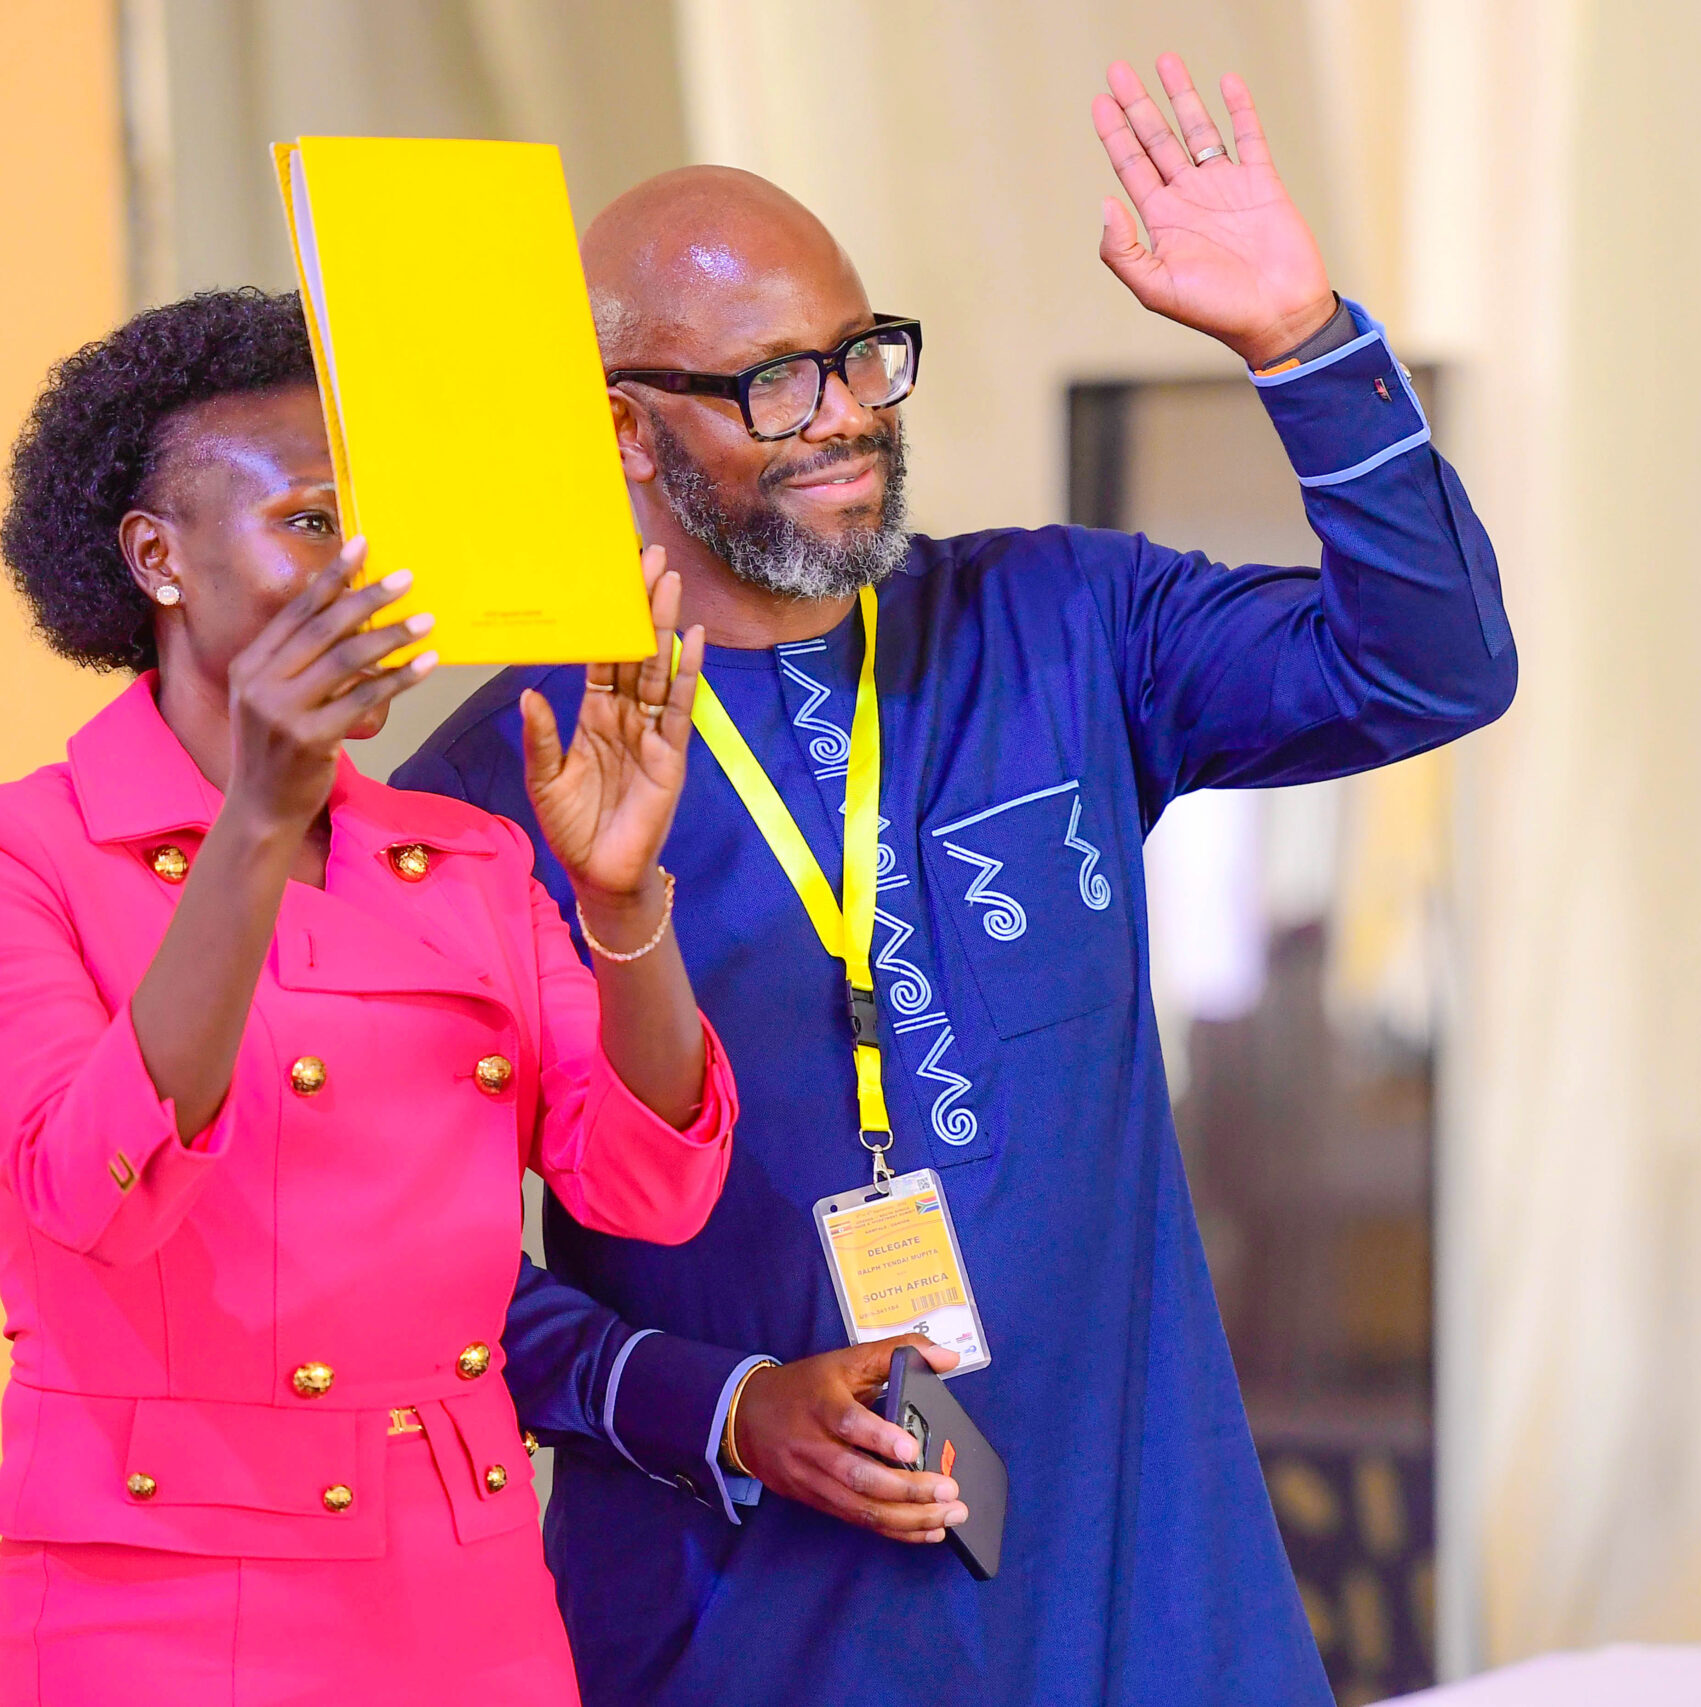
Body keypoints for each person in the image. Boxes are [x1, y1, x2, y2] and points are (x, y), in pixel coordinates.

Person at [397, 54, 1515, 1706]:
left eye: (863, 355)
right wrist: (722, 1406)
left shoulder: (1069, 627)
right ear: (622, 427)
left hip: (1135, 1590)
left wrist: (1304, 341)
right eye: (775, 382)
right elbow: (408, 1264)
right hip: (747, 1619)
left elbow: (1432, 666)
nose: (847, 412)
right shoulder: (507, 783)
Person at [0, 288, 739, 1704]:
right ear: (159, 558)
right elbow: (89, 1191)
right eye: (309, 521)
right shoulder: (2, 854)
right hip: (162, 1595)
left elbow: (649, 1189)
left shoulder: (466, 854)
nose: (364, 572)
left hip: (468, 1586)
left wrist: (619, 904)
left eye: (380, 534)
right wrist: (255, 820)